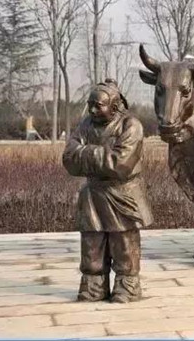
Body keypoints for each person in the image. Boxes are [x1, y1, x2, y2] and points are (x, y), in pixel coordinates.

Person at [62, 79, 153, 303]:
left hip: (122, 194)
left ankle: (127, 286)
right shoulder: (86, 124)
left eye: (98, 105)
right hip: (93, 194)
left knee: (124, 242)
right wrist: (104, 154)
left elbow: (121, 164)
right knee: (92, 242)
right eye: (90, 105)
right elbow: (69, 158)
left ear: (114, 106)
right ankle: (94, 286)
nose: (92, 110)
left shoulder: (131, 125)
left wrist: (86, 152)